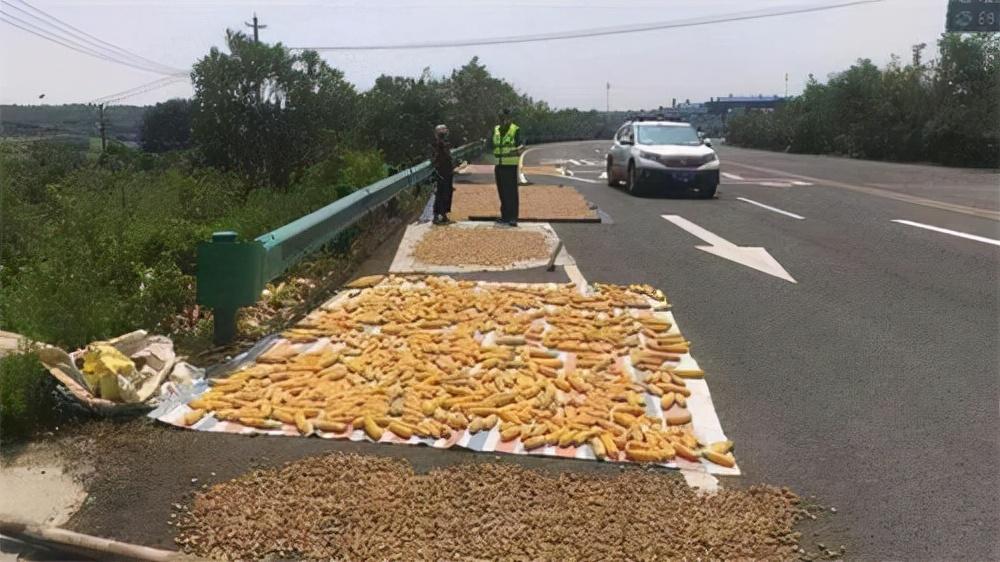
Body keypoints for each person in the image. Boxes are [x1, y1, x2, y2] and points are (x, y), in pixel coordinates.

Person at [492, 108, 523, 227]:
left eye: (505, 117)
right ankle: (505, 216)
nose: (503, 120)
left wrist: (516, 151)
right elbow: (492, 145)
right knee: (502, 192)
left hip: (510, 165)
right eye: (501, 117)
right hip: (499, 164)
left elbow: (520, 145)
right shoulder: (496, 129)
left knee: (511, 192)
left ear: (509, 118)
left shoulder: (515, 129)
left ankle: (513, 217)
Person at [431, 124, 454, 225]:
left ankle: (443, 215)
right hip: (442, 172)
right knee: (441, 193)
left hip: (447, 171)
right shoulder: (438, 145)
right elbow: (437, 158)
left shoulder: (445, 144)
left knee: (446, 193)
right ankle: (437, 215)